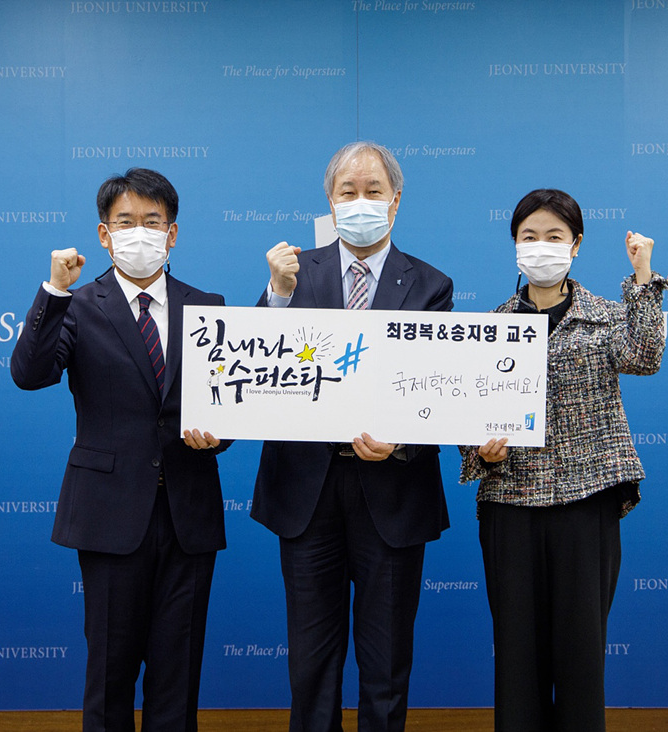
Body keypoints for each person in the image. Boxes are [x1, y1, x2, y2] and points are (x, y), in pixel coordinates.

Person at [11, 168, 229, 732]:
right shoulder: (78, 304)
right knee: (109, 675)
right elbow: (30, 374)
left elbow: (225, 404)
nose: (140, 233)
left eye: (152, 222)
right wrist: (54, 290)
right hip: (109, 513)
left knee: (178, 678)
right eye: (125, 222)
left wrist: (218, 434)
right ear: (104, 235)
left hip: (188, 514)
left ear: (172, 233)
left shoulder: (208, 307)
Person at [252, 141, 453, 732]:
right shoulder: (292, 273)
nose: (360, 201)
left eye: (373, 191)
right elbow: (256, 367)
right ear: (329, 200)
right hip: (306, 491)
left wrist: (402, 441)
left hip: (392, 490)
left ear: (395, 201)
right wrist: (276, 293)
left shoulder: (431, 284)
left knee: (386, 662)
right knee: (310, 664)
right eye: (348, 191)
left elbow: (438, 391)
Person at [460, 188, 668, 732]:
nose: (541, 246)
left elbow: (646, 356)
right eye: (529, 236)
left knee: (581, 659)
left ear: (575, 245)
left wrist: (643, 276)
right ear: (514, 245)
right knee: (517, 661)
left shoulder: (605, 318)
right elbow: (465, 419)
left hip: (586, 504)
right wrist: (480, 450)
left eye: (554, 236)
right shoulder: (489, 327)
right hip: (511, 505)